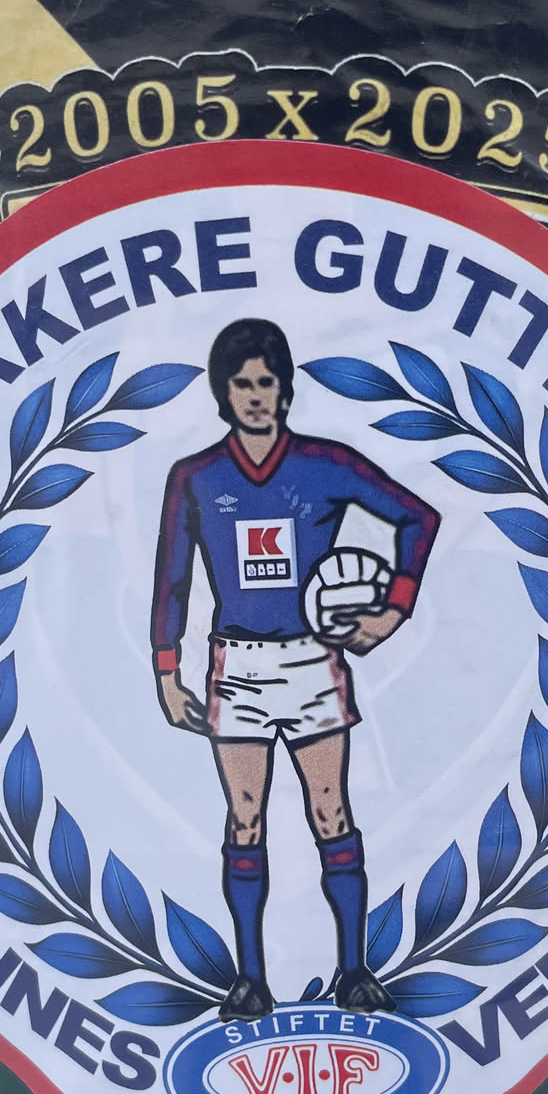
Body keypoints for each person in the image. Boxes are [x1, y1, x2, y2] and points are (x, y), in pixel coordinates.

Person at [151, 316, 440, 1020]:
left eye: (267, 382)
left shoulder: (324, 464)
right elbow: (172, 580)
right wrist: (167, 667)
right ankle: (249, 978)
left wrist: (392, 610)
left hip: (311, 658)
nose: (255, 395)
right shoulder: (195, 477)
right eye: (242, 383)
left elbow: (418, 517)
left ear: (285, 390)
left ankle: (353, 969)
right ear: (223, 391)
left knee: (330, 809)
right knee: (244, 817)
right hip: (237, 663)